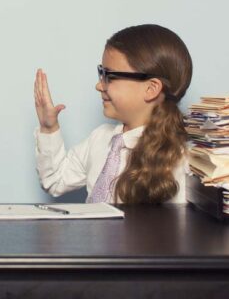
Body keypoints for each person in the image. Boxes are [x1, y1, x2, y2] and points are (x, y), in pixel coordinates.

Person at [34, 24, 192, 204]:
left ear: (151, 88)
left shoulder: (179, 159)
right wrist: (49, 128)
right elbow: (55, 181)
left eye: (109, 76)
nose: (99, 85)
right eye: (101, 73)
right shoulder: (100, 139)